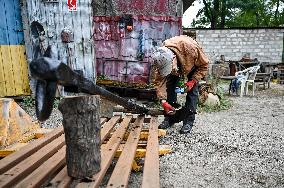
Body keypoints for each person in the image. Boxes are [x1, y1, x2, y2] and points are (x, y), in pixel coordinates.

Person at [151, 35, 209, 134]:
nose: (168, 71)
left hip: (191, 62)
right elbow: (159, 82)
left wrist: (193, 81)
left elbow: (204, 65)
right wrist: (163, 101)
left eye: (168, 68)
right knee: (170, 86)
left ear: (173, 59)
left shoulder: (191, 49)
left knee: (192, 91)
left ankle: (188, 121)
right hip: (178, 63)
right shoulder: (161, 56)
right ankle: (169, 118)